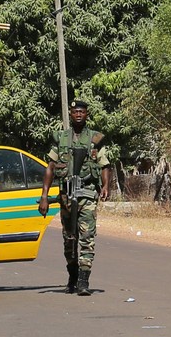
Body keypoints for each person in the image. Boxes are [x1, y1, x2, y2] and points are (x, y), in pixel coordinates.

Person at [38, 100, 112, 296]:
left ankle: (83, 281)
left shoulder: (95, 139)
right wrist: (44, 196)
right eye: (75, 112)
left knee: (87, 238)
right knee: (69, 239)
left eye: (82, 111)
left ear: (87, 114)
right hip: (66, 196)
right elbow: (51, 167)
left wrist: (105, 186)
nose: (78, 114)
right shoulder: (62, 138)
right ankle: (72, 275)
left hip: (87, 195)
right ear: (70, 114)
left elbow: (105, 165)